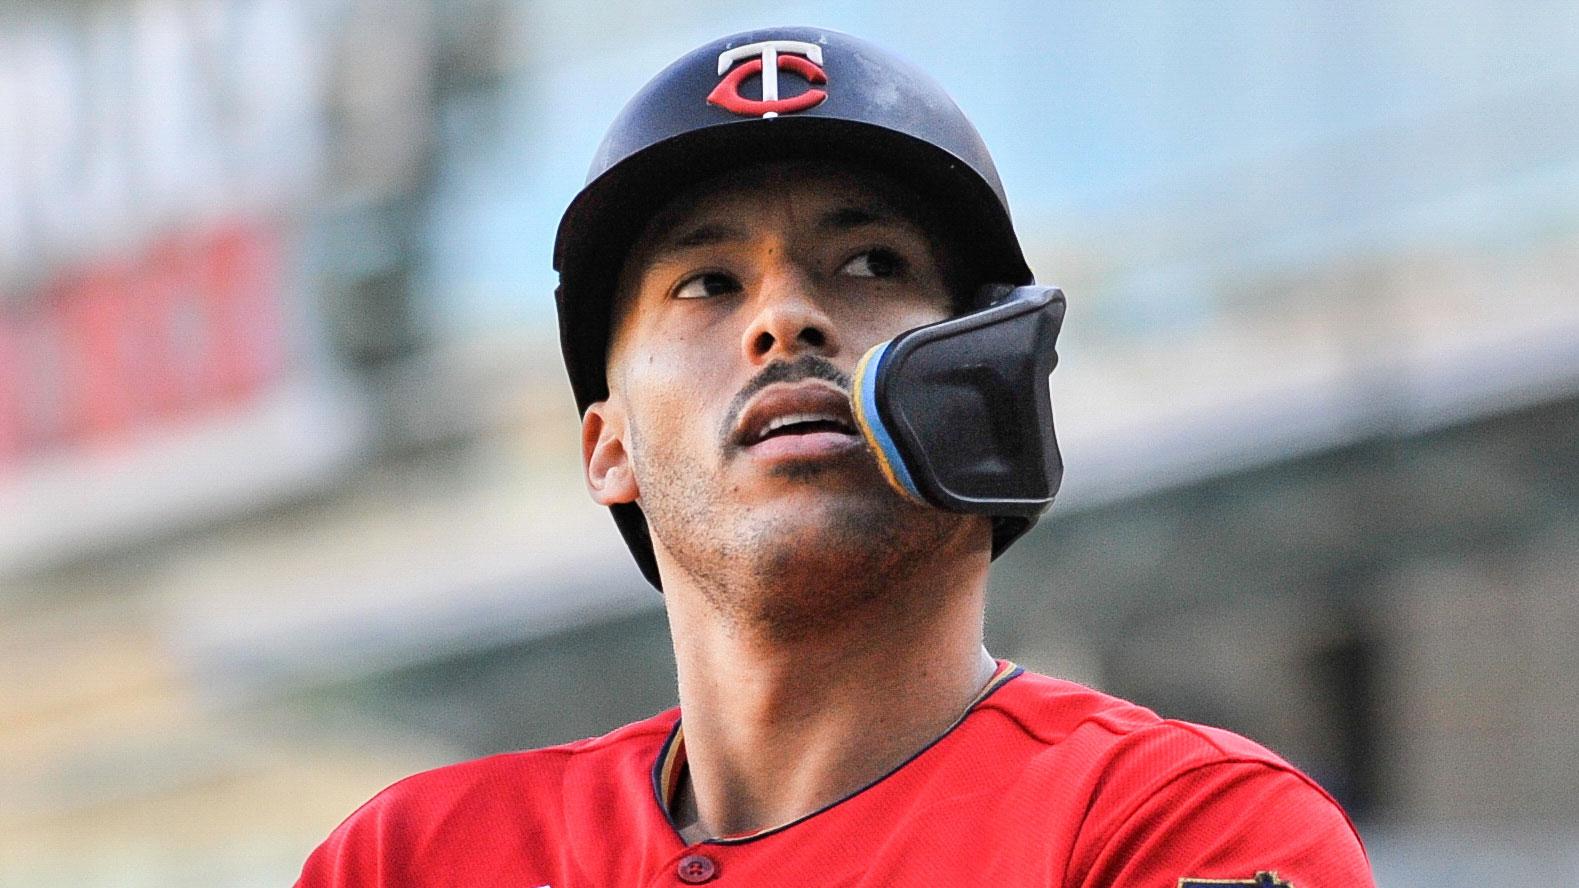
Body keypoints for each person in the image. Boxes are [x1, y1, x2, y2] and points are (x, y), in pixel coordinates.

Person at [296, 27, 1375, 887]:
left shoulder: (1178, 826)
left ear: (985, 383)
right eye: (707, 283)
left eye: (868, 262)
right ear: (607, 445)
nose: (786, 318)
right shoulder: (410, 863)